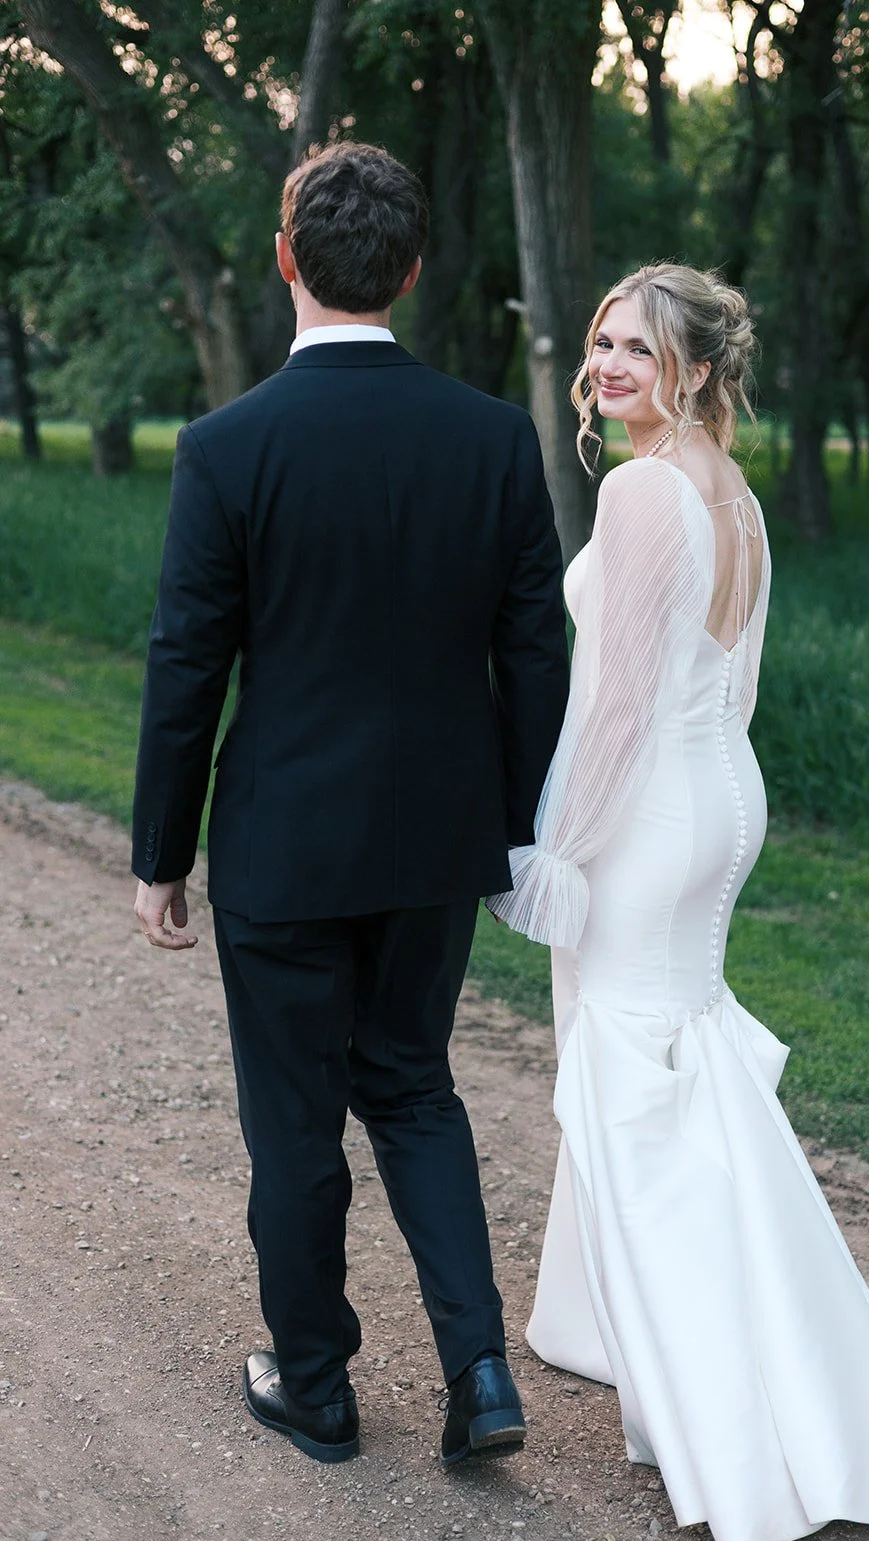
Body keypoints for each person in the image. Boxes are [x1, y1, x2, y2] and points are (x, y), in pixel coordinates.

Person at [487, 263, 869, 1541]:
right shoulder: (737, 498)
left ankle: (728, 1398)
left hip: (651, 810)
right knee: (682, 1058)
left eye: (637, 353)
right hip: (719, 793)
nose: (607, 370)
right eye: (600, 345)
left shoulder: (646, 489)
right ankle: (599, 1325)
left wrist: (552, 845)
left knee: (631, 1082)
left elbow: (611, 707)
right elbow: (731, 683)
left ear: (697, 371)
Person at [131, 142, 569, 1467]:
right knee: (416, 1090)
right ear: (413, 270)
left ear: (285, 260)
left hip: (283, 842)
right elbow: (537, 648)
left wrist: (161, 853)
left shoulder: (227, 447)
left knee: (294, 1121)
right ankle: (478, 1372)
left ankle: (315, 1388)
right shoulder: (491, 437)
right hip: (436, 837)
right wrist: (513, 827)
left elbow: (186, 661)